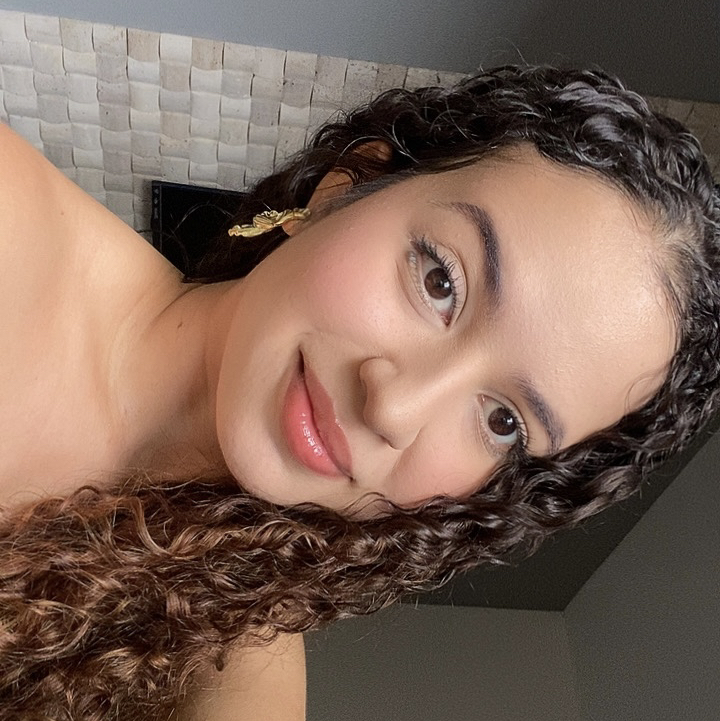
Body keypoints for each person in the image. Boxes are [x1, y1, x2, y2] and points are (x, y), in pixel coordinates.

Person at [0, 64, 718, 720]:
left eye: (504, 421)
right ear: (345, 186)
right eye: (440, 280)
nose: (394, 408)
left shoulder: (227, 648)